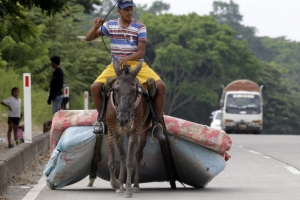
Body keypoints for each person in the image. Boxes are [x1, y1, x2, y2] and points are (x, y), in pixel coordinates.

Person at [85, 0, 166, 140]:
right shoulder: (109, 25)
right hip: (116, 66)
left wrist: (128, 58)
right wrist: (95, 27)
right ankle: (101, 121)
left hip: (136, 64)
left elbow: (141, 52)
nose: (130, 12)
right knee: (95, 87)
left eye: (131, 9)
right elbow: (88, 38)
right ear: (119, 11)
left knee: (161, 86)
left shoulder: (140, 27)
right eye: (126, 9)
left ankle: (157, 123)